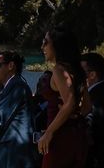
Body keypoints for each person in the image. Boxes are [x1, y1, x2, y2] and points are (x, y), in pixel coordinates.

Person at [37, 27, 89, 168]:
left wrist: (49, 132)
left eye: (46, 42)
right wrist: (73, 116)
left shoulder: (59, 70)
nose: (42, 47)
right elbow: (86, 107)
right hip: (78, 136)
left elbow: (70, 102)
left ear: (57, 45)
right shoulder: (78, 71)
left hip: (60, 138)